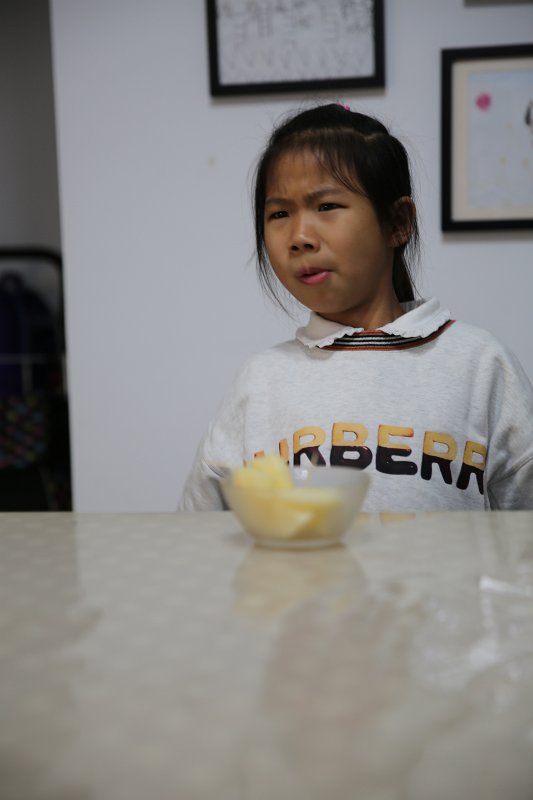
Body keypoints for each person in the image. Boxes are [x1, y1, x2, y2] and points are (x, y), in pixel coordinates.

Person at [179, 103, 533, 512]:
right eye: (279, 213)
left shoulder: (481, 365)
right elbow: (198, 530)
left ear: (398, 222)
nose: (299, 236)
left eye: (326, 206)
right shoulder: (260, 381)